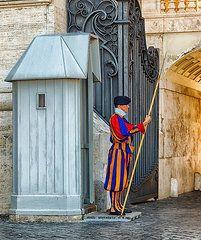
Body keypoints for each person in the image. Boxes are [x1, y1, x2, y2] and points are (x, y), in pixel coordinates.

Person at [104, 96, 151, 215]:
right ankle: (114, 207)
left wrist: (143, 125)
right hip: (117, 153)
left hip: (124, 152)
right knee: (116, 180)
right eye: (126, 104)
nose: (128, 107)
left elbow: (130, 128)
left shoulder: (121, 119)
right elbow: (123, 134)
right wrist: (143, 124)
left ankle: (118, 205)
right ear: (120, 106)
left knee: (122, 180)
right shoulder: (115, 118)